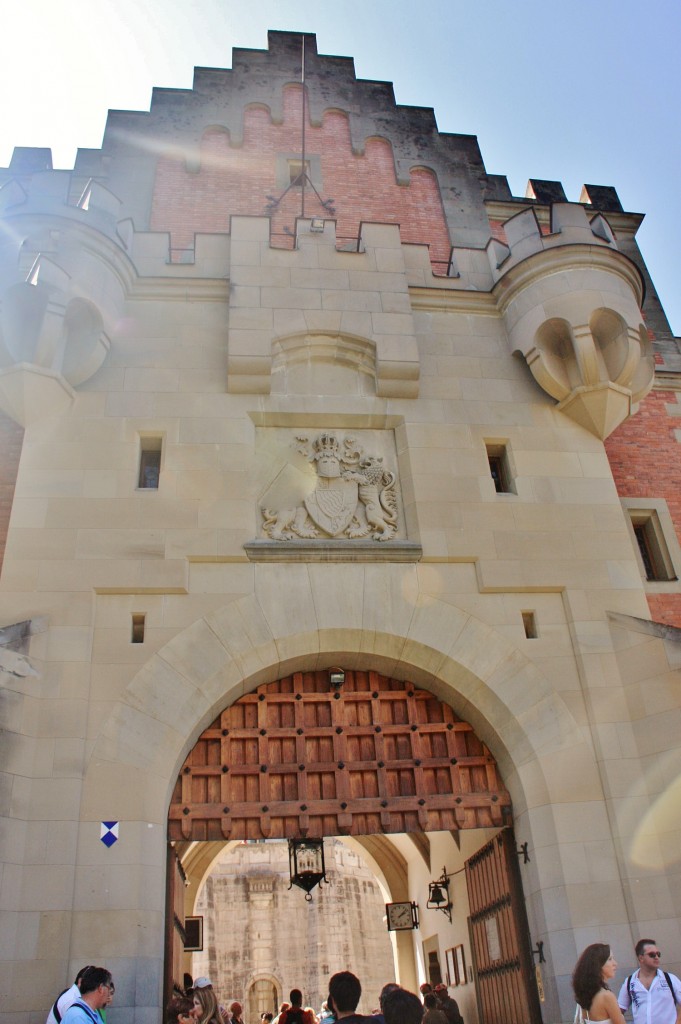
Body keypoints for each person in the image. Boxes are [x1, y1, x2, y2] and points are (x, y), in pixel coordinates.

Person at [618, 939, 681, 1024]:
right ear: (641, 958)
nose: (656, 957)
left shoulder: (670, 979)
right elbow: (619, 1010)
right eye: (652, 954)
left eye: (658, 954)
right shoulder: (630, 982)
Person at [572, 943, 625, 1024]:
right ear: (598, 964)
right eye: (610, 959)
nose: (615, 963)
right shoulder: (606, 996)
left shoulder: (585, 995)